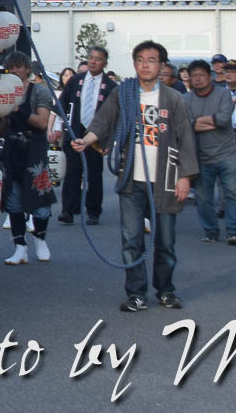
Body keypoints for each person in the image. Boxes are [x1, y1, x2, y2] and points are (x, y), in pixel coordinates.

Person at [70, 40, 198, 312]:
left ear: (161, 65)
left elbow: (185, 138)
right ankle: (136, 293)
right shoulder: (124, 93)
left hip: (165, 178)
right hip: (131, 178)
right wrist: (86, 140)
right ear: (134, 63)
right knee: (131, 240)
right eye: (140, 59)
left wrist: (185, 177)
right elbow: (103, 120)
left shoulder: (173, 98)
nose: (145, 65)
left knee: (165, 242)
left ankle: (166, 290)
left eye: (151, 60)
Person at [1, 52, 57, 263]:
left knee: (40, 200)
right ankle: (20, 247)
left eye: (18, 67)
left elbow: (42, 122)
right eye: (11, 67)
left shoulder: (39, 91)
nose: (15, 71)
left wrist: (18, 110)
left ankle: (40, 239)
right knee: (13, 201)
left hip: (34, 149)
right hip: (11, 148)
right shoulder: (3, 91)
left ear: (27, 69)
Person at [183, 59, 236, 244]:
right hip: (201, 156)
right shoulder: (186, 98)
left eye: (201, 75)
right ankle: (210, 231)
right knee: (203, 197)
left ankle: (233, 231)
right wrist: (211, 121)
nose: (197, 79)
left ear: (209, 76)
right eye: (194, 76)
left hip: (227, 153)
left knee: (233, 193)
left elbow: (224, 120)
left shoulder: (223, 93)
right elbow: (187, 125)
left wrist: (197, 122)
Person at [58, 46, 119, 225]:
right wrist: (58, 129)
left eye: (98, 59)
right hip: (74, 133)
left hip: (96, 136)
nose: (93, 61)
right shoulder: (75, 80)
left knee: (94, 174)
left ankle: (93, 210)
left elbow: (115, 117)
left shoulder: (111, 87)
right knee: (72, 172)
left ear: (105, 63)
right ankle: (68, 209)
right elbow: (61, 106)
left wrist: (110, 141)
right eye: (91, 57)